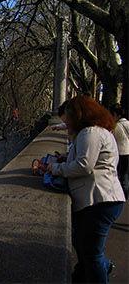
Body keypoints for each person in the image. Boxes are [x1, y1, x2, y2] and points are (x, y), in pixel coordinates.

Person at [39, 95, 127, 283]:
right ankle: (92, 272)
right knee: (85, 249)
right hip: (100, 199)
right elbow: (82, 154)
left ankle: (102, 269)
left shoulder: (90, 133)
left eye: (69, 116)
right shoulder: (96, 130)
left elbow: (84, 165)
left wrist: (56, 168)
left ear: (78, 115)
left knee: (92, 255)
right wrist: (66, 156)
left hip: (99, 200)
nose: (67, 121)